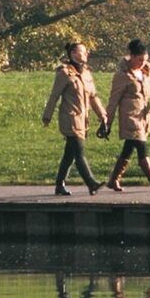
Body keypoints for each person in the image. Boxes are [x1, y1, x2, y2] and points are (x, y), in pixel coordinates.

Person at [106, 39, 150, 190]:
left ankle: (113, 180)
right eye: (139, 60)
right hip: (130, 117)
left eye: (145, 60)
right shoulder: (122, 75)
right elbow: (113, 100)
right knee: (141, 146)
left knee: (129, 148)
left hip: (144, 117)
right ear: (131, 56)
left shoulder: (146, 72)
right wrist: (107, 121)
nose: (142, 63)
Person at [42, 42, 103, 193]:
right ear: (73, 54)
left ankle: (59, 185)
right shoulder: (64, 73)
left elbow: (93, 97)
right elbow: (54, 95)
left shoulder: (86, 73)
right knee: (79, 151)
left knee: (69, 154)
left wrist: (103, 116)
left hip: (83, 119)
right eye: (83, 51)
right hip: (70, 118)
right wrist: (47, 116)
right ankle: (91, 183)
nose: (86, 54)